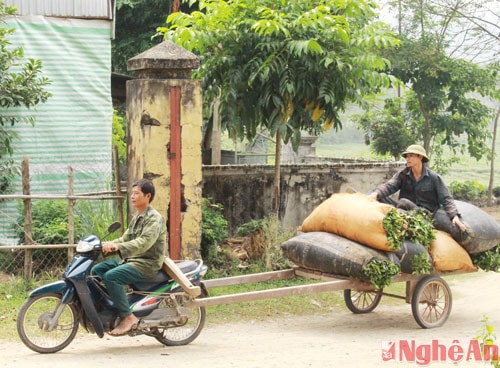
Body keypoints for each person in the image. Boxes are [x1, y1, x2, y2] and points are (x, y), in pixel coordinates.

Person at [92, 178, 167, 336]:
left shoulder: (154, 218)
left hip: (147, 263)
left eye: (136, 193)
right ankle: (113, 308)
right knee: (98, 270)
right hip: (133, 260)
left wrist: (117, 247)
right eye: (131, 193)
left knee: (112, 277)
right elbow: (125, 239)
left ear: (147, 196)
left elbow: (144, 243)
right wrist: (106, 244)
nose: (132, 196)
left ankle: (128, 317)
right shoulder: (137, 217)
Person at [368, 144, 467, 234]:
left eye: (411, 155)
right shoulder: (403, 175)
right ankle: (396, 219)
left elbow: (446, 198)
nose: (408, 158)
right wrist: (375, 194)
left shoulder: (433, 177)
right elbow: (389, 186)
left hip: (424, 214)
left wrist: (454, 216)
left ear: (420, 157)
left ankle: (401, 220)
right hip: (404, 210)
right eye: (407, 156)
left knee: (403, 202)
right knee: (375, 195)